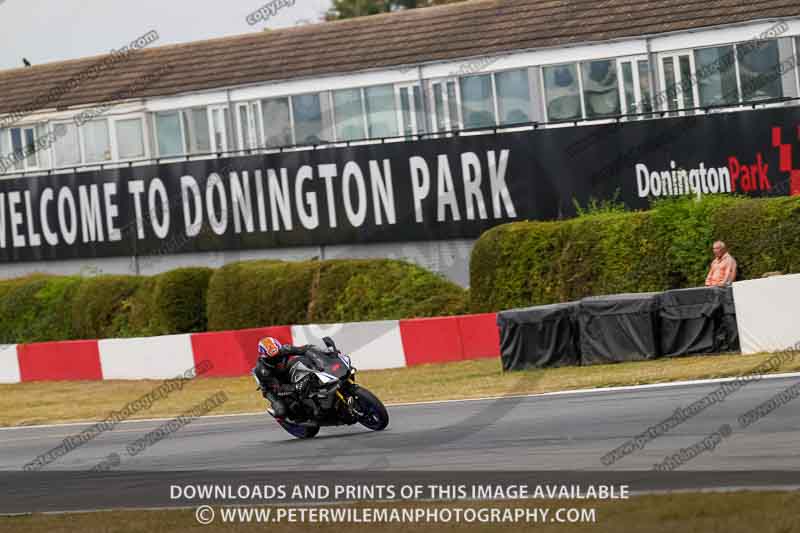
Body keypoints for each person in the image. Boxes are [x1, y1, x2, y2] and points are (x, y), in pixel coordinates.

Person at [252, 337, 326, 419]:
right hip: (272, 387)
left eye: (278, 354)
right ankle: (291, 417)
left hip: (284, 373)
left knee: (302, 364)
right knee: (281, 411)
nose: (277, 358)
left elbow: (305, 349)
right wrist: (295, 387)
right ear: (265, 357)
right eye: (272, 358)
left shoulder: (284, 349)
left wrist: (319, 357)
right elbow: (278, 388)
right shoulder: (263, 370)